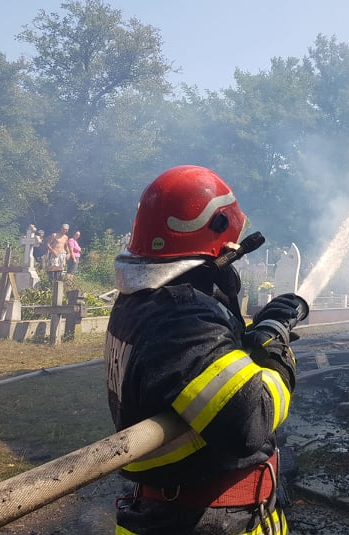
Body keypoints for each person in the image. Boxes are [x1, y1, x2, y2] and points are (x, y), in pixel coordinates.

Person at [104, 165, 307, 535]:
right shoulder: (182, 318)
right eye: (232, 247)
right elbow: (250, 421)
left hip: (177, 514)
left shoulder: (141, 304)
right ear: (217, 243)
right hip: (207, 521)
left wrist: (250, 336)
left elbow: (203, 378)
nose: (235, 252)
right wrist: (275, 342)